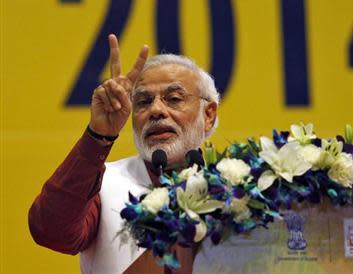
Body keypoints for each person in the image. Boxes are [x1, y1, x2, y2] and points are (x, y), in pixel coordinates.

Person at [28, 34, 219, 274]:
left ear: (209, 114)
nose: (156, 110)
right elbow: (50, 231)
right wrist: (97, 136)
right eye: (143, 101)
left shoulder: (239, 191)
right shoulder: (105, 183)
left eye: (173, 99)